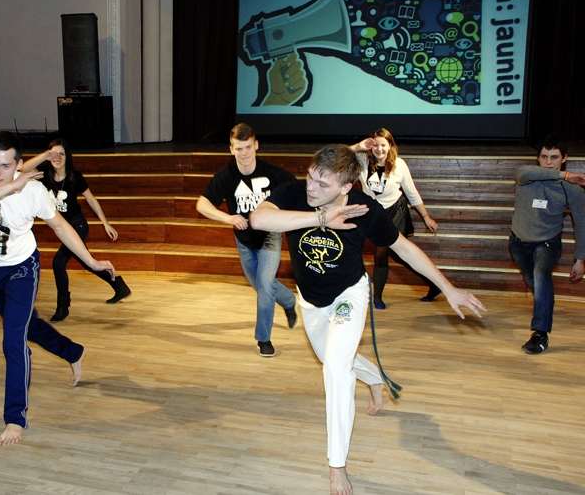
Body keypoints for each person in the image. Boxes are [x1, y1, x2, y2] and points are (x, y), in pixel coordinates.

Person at [250, 144, 486, 495]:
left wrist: (448, 288)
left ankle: (337, 467)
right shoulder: (296, 193)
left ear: (346, 187)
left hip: (349, 294)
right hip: (311, 300)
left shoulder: (365, 209)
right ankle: (375, 376)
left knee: (334, 370)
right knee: (330, 357)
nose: (312, 188)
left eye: (322, 184)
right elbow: (259, 219)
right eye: (311, 177)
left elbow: (404, 247)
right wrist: (320, 218)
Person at [0, 131, 115, 446]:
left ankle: (15, 419)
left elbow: (61, 226)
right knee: (30, 326)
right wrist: (10, 184)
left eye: (6, 166)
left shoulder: (34, 191)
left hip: (23, 269)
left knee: (13, 339)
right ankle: (73, 351)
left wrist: (91, 262)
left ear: (19, 163)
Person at [196, 123, 298, 357]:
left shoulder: (272, 172)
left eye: (248, 147)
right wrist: (228, 217)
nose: (244, 153)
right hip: (244, 241)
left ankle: (264, 339)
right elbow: (201, 204)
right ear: (231, 149)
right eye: (239, 148)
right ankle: (289, 300)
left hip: (270, 236)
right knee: (261, 285)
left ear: (256, 145)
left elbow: (296, 190)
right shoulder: (226, 175)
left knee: (264, 284)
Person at [20, 138, 130, 322]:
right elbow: (22, 170)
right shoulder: (44, 176)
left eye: (61, 154)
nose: (57, 157)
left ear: (66, 156)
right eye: (53, 154)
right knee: (88, 263)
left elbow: (92, 201)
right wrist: (45, 156)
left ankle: (63, 307)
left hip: (78, 225)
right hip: (63, 229)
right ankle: (119, 287)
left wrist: (106, 223)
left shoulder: (74, 176)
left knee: (58, 263)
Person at [509, 136, 585, 354]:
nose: (549, 162)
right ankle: (545, 302)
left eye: (554, 157)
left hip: (547, 243)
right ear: (538, 158)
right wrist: (567, 174)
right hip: (518, 241)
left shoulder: (573, 190)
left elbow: (582, 224)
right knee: (531, 279)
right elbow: (524, 171)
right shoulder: (527, 177)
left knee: (542, 277)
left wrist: (580, 259)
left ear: (564, 158)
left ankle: (540, 334)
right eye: (544, 157)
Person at [349, 128, 441, 309]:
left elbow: (411, 193)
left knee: (381, 253)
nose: (379, 149)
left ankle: (377, 299)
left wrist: (426, 217)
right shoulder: (362, 160)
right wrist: (358, 147)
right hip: (376, 213)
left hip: (396, 212)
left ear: (390, 146)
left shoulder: (399, 165)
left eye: (383, 145)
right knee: (400, 256)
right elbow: (338, 154)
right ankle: (434, 285)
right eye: (375, 145)